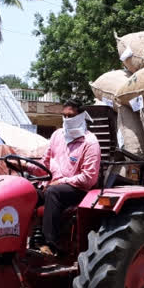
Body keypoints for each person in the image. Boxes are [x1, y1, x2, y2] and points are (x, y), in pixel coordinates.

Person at [33, 100, 101, 256]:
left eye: (70, 116)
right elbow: (44, 163)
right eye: (63, 115)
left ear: (81, 116)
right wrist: (22, 164)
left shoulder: (90, 142)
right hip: (53, 185)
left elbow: (89, 178)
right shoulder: (57, 135)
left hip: (79, 190)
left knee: (53, 193)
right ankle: (28, 240)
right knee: (27, 191)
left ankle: (51, 244)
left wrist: (62, 181)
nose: (66, 119)